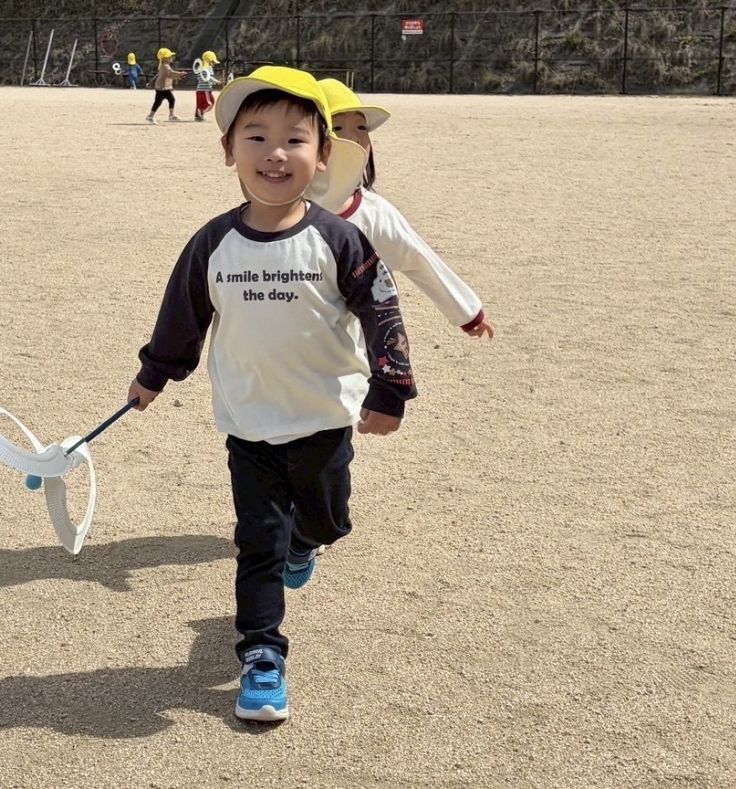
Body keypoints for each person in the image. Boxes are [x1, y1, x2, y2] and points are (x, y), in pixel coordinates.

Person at [126, 66, 416, 722]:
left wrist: (390, 386)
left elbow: (382, 310)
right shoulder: (212, 244)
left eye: (295, 138)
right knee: (256, 540)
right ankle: (262, 652)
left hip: (322, 422)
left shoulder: (339, 239)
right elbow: (182, 318)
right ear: (229, 150)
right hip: (249, 428)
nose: (274, 152)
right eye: (255, 136)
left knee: (326, 521)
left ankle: (306, 542)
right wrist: (153, 375)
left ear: (321, 157)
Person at [318, 78, 495, 339]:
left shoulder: (373, 213)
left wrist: (468, 313)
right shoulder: (283, 207)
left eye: (361, 127)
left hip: (355, 349)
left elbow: (419, 258)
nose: (353, 137)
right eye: (337, 127)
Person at [146, 47, 187, 124]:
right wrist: (180, 74)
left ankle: (171, 115)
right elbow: (171, 73)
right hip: (161, 88)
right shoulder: (165, 66)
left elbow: (170, 75)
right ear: (164, 58)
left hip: (165, 88)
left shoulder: (165, 65)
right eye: (169, 56)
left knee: (171, 99)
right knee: (158, 102)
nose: (172, 57)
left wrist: (179, 76)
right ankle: (150, 116)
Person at [193, 50, 222, 122]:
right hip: (205, 90)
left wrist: (213, 82)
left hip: (199, 90)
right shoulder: (208, 68)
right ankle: (201, 112)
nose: (214, 64)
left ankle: (198, 116)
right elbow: (208, 78)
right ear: (210, 61)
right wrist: (216, 81)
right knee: (210, 103)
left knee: (200, 104)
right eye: (213, 62)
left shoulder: (200, 68)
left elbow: (201, 78)